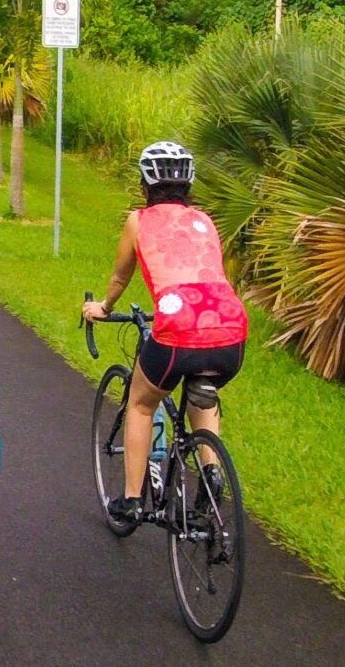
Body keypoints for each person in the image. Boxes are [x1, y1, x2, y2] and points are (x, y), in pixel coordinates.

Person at [80, 140, 249, 531]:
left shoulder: (138, 221)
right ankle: (211, 479)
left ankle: (134, 501)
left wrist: (102, 308)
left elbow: (121, 276)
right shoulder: (205, 221)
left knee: (141, 404)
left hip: (178, 328)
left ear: (145, 183)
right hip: (230, 328)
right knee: (203, 394)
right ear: (189, 183)